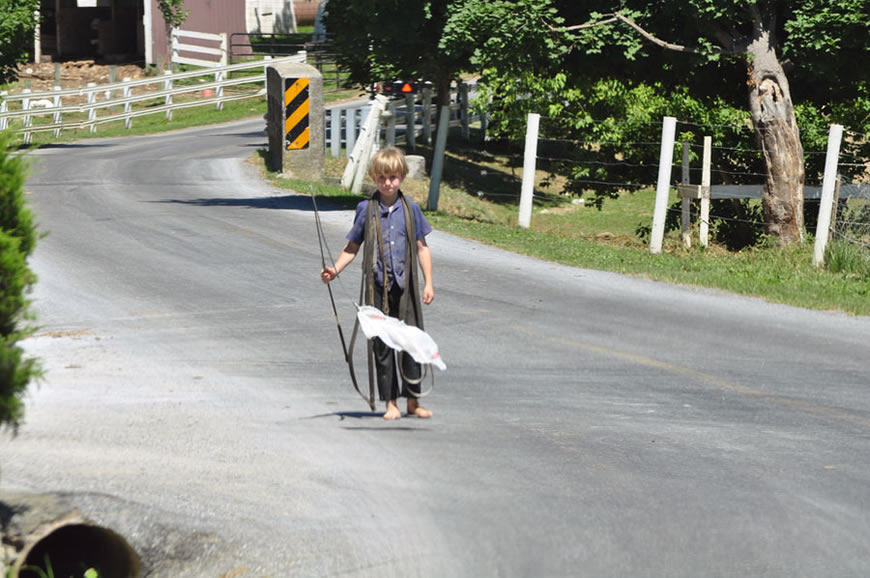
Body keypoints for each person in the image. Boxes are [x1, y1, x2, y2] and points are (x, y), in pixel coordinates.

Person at [321, 147, 435, 420]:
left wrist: (429, 282)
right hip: (376, 288)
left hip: (405, 288)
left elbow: (422, 248)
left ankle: (413, 401)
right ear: (374, 178)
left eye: (393, 177)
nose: (388, 183)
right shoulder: (366, 209)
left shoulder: (412, 210)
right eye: (382, 177)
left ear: (402, 177)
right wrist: (334, 270)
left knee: (410, 342)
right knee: (382, 346)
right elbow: (352, 247)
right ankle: (391, 403)